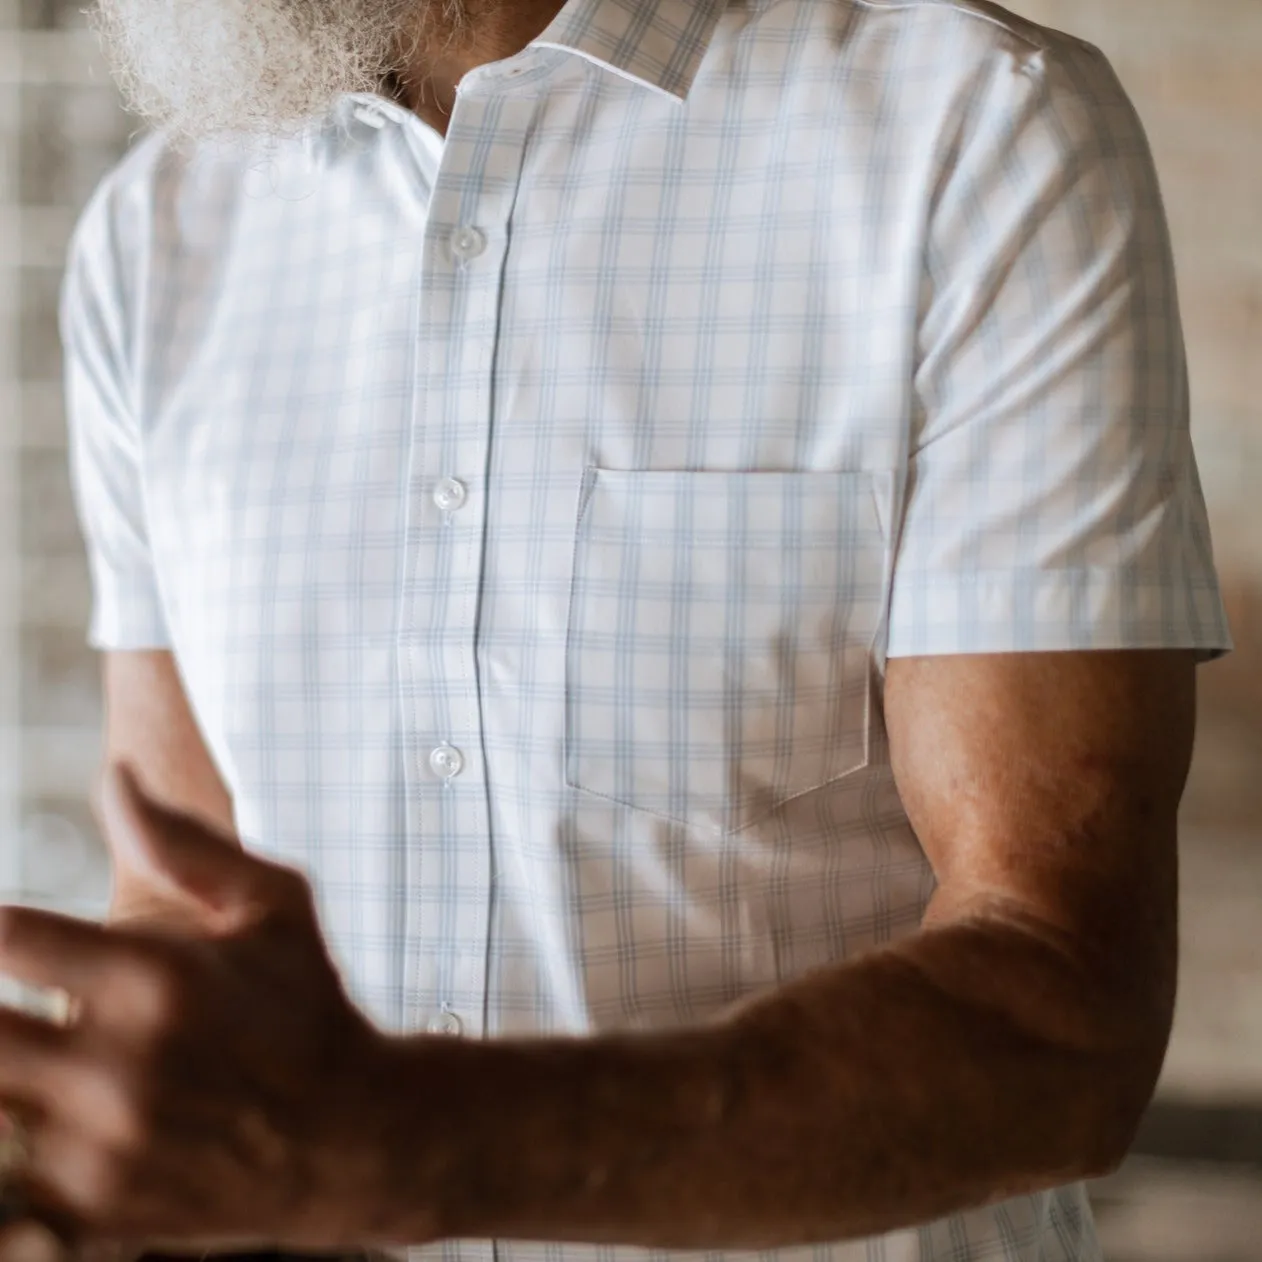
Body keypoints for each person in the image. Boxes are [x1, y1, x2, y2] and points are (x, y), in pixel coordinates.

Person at [0, 0, 1234, 1256]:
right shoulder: (153, 237)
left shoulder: (974, 128)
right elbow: (179, 891)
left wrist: (398, 1143)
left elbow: (1060, 1016)